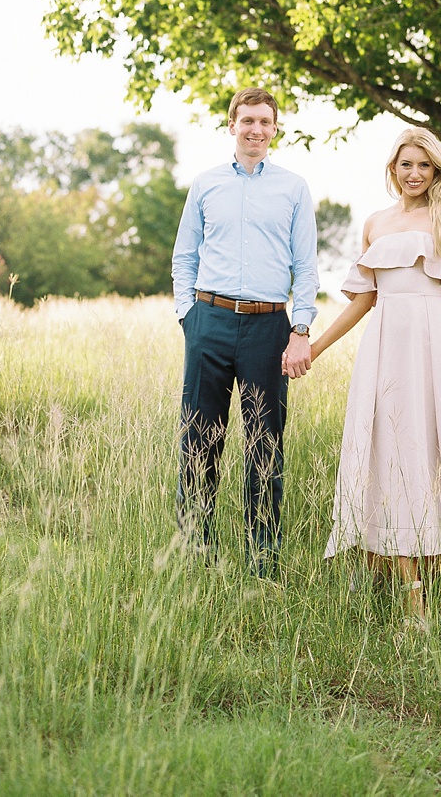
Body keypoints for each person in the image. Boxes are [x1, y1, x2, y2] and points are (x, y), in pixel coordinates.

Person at [309, 128, 441, 624]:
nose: (415, 173)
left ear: (436, 170)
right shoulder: (375, 223)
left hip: (438, 345)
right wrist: (314, 347)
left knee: (440, 449)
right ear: (392, 169)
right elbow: (363, 299)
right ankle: (407, 587)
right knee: (391, 449)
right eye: (406, 165)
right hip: (385, 347)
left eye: (424, 165)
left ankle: (436, 561)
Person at [172, 85, 318, 580]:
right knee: (198, 443)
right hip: (208, 322)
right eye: (247, 120)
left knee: (265, 446)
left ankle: (264, 564)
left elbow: (307, 266)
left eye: (265, 122)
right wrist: (186, 317)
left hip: (269, 327)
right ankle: (194, 558)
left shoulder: (294, 188)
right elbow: (184, 255)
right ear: (231, 125)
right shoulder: (205, 184)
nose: (256, 129)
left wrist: (300, 330)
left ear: (275, 129)